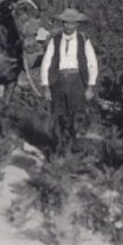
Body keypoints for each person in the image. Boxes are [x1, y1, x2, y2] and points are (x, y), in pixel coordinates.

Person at [40, 8, 98, 155]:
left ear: (76, 25)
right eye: (65, 23)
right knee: (58, 116)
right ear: (62, 23)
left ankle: (74, 149)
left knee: (77, 117)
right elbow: (46, 62)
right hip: (58, 81)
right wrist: (46, 86)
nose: (68, 26)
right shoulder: (55, 40)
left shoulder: (83, 39)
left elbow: (92, 63)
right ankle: (57, 149)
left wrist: (90, 86)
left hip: (77, 81)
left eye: (72, 23)